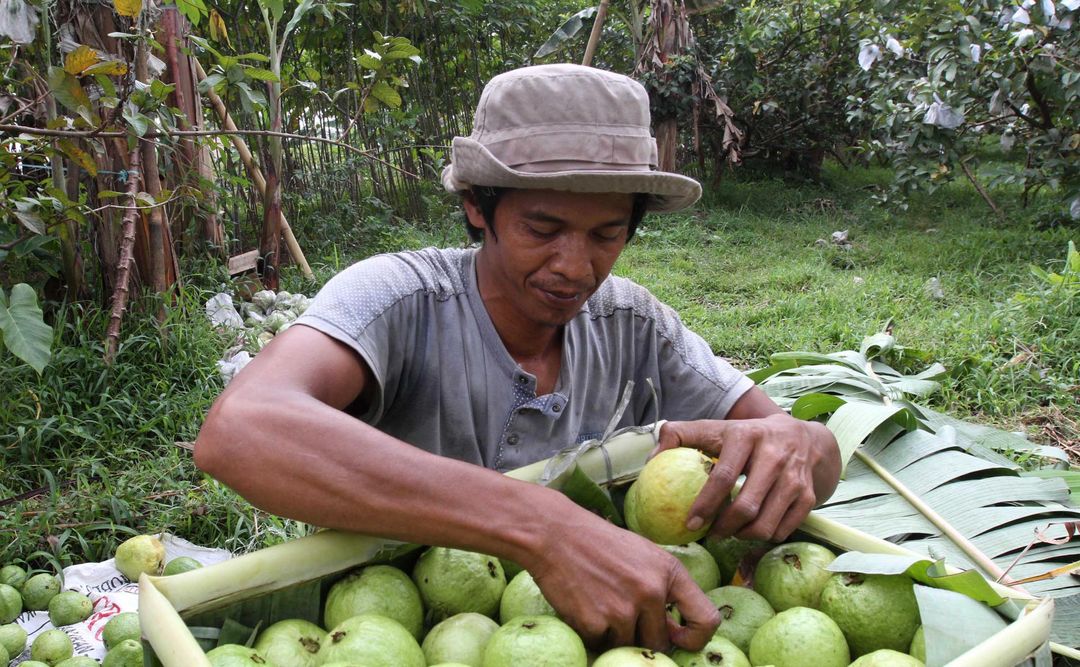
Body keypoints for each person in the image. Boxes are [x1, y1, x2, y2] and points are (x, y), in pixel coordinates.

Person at [194, 63, 841, 652]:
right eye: (542, 228)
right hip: (374, 628)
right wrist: (541, 525)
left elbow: (809, 451)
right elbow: (239, 430)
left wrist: (797, 444)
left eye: (606, 233)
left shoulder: (632, 322)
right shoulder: (398, 299)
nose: (574, 266)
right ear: (478, 205)